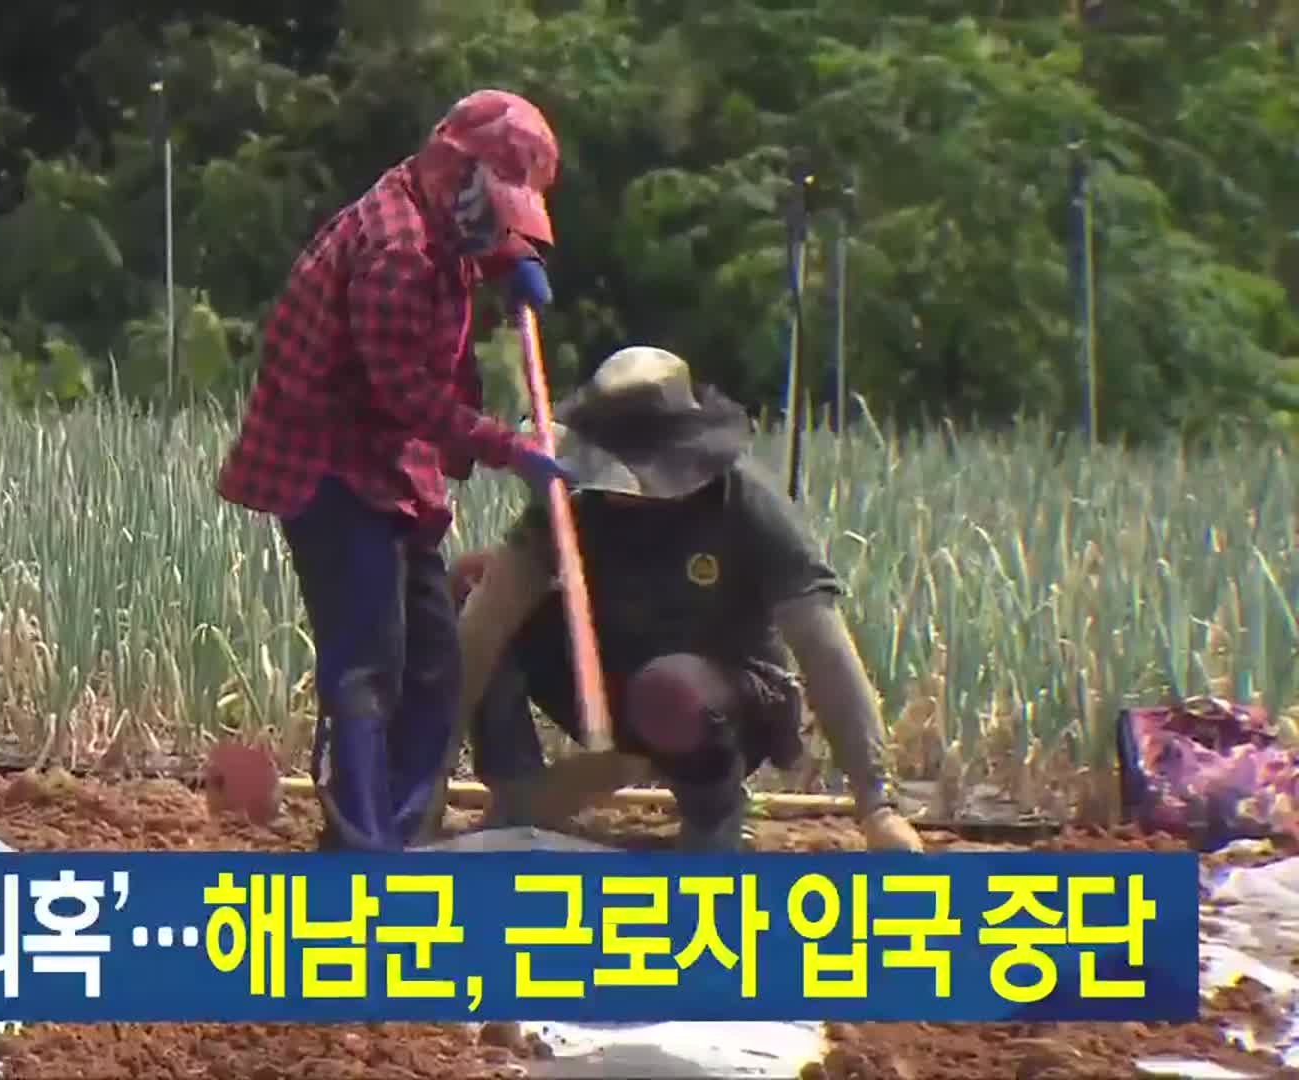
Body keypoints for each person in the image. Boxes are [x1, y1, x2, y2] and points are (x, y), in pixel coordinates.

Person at [215, 89, 575, 852]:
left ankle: (404, 835)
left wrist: (510, 259)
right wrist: (504, 447)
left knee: (436, 664)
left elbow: (418, 381)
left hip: (390, 469)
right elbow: (405, 392)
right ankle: (361, 845)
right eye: (498, 208)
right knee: (367, 665)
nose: (498, 226)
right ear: (458, 174)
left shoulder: (440, 221)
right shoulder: (398, 251)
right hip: (329, 467)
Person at [440, 345, 925, 852]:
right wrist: (436, 766)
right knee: (475, 578)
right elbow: (486, 622)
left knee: (670, 690)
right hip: (610, 675)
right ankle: (517, 793)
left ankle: (711, 806)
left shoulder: (743, 503)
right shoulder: (575, 504)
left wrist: (877, 804)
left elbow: (823, 647)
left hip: (720, 696)